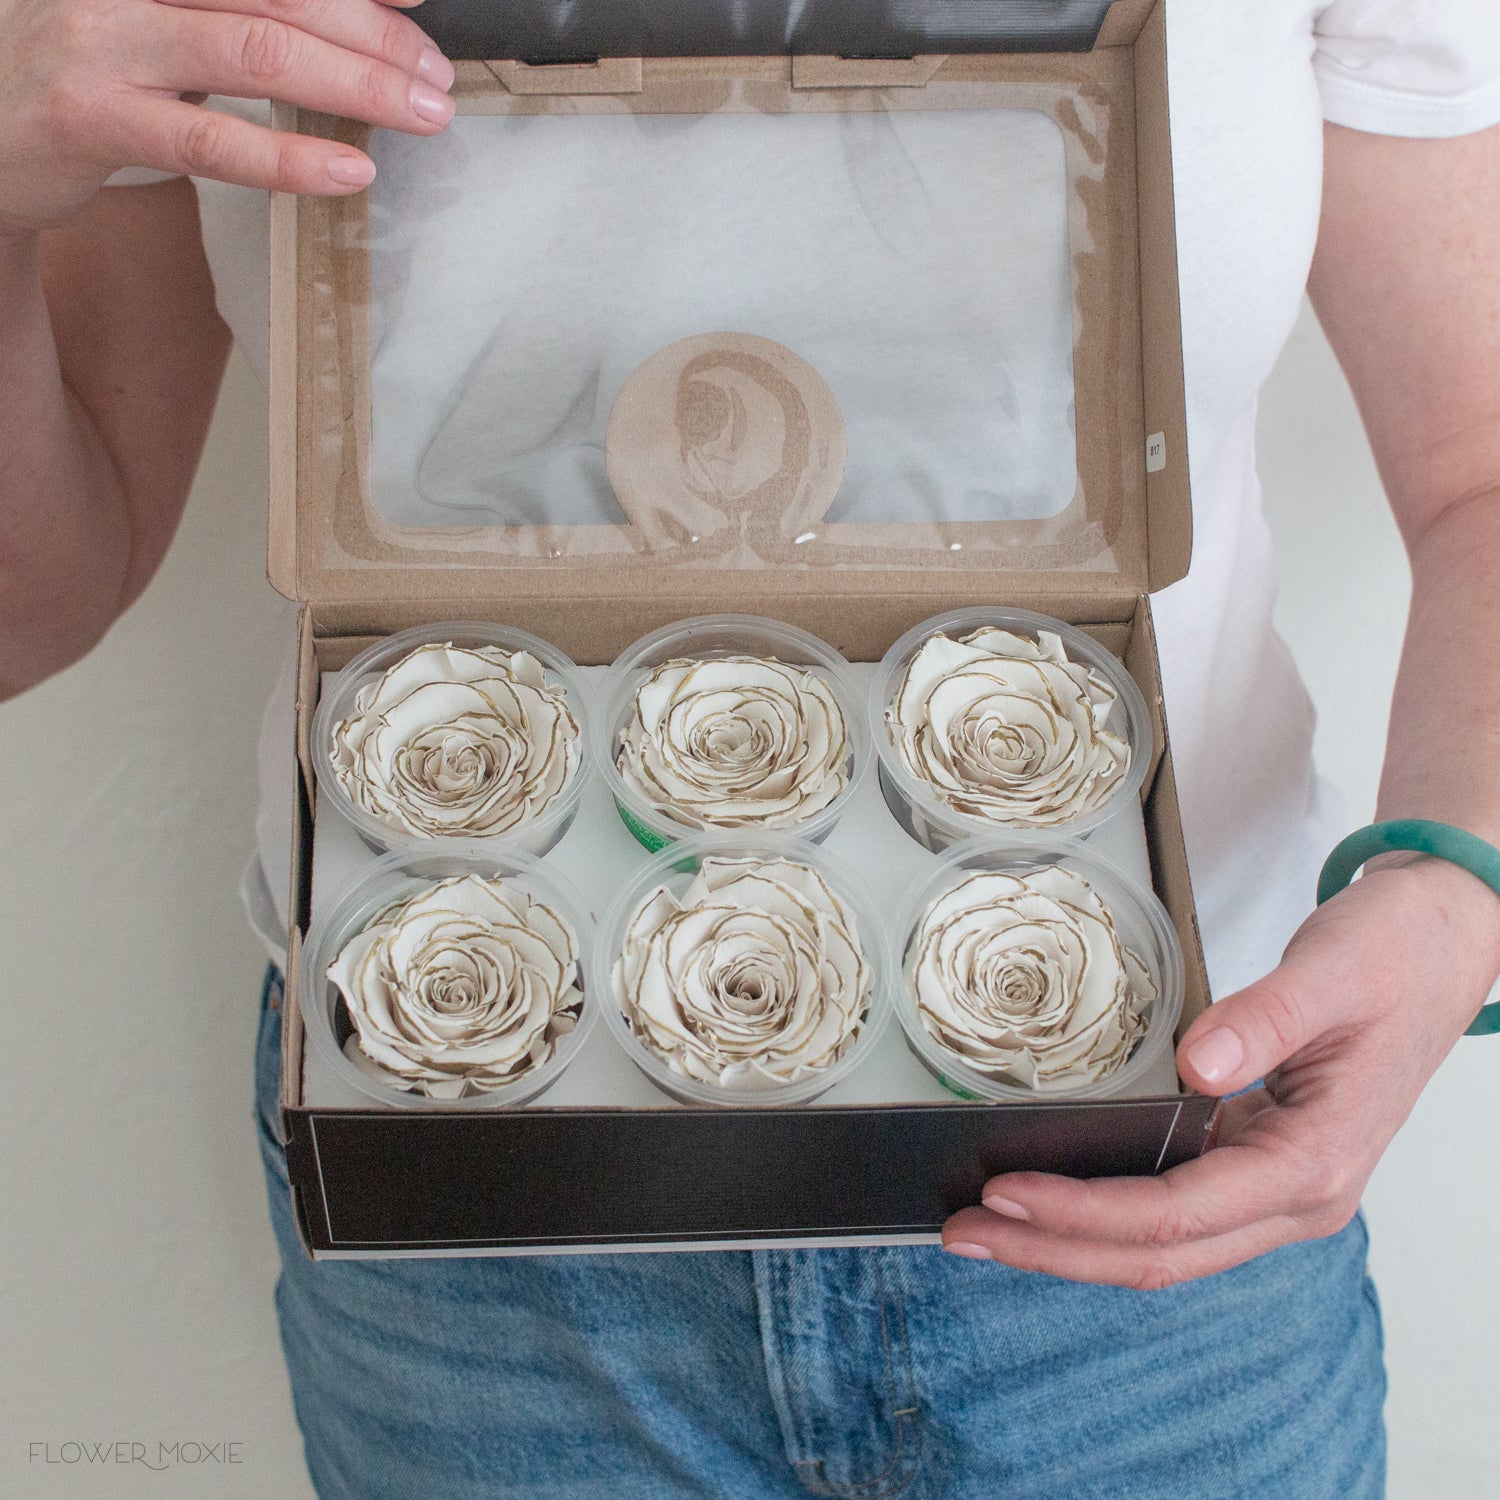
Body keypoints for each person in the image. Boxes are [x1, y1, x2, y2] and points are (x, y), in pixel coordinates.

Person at [3, 1, 1499, 1494]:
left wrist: (1455, 885)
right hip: (462, 1175)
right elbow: (31, 610)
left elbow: (1477, 472)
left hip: (1164, 1145)